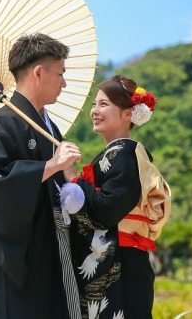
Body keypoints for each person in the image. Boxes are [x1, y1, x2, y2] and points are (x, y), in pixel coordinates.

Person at [0, 33, 84, 319]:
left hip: (52, 253)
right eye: (60, 73)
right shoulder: (1, 126)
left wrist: (72, 179)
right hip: (19, 263)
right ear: (38, 72)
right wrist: (50, 166)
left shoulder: (49, 127)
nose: (64, 83)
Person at [64, 75, 171, 319]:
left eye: (104, 104)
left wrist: (71, 177)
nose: (95, 111)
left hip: (122, 265)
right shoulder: (118, 153)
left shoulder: (124, 153)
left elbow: (108, 210)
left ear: (128, 113)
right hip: (120, 261)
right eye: (94, 104)